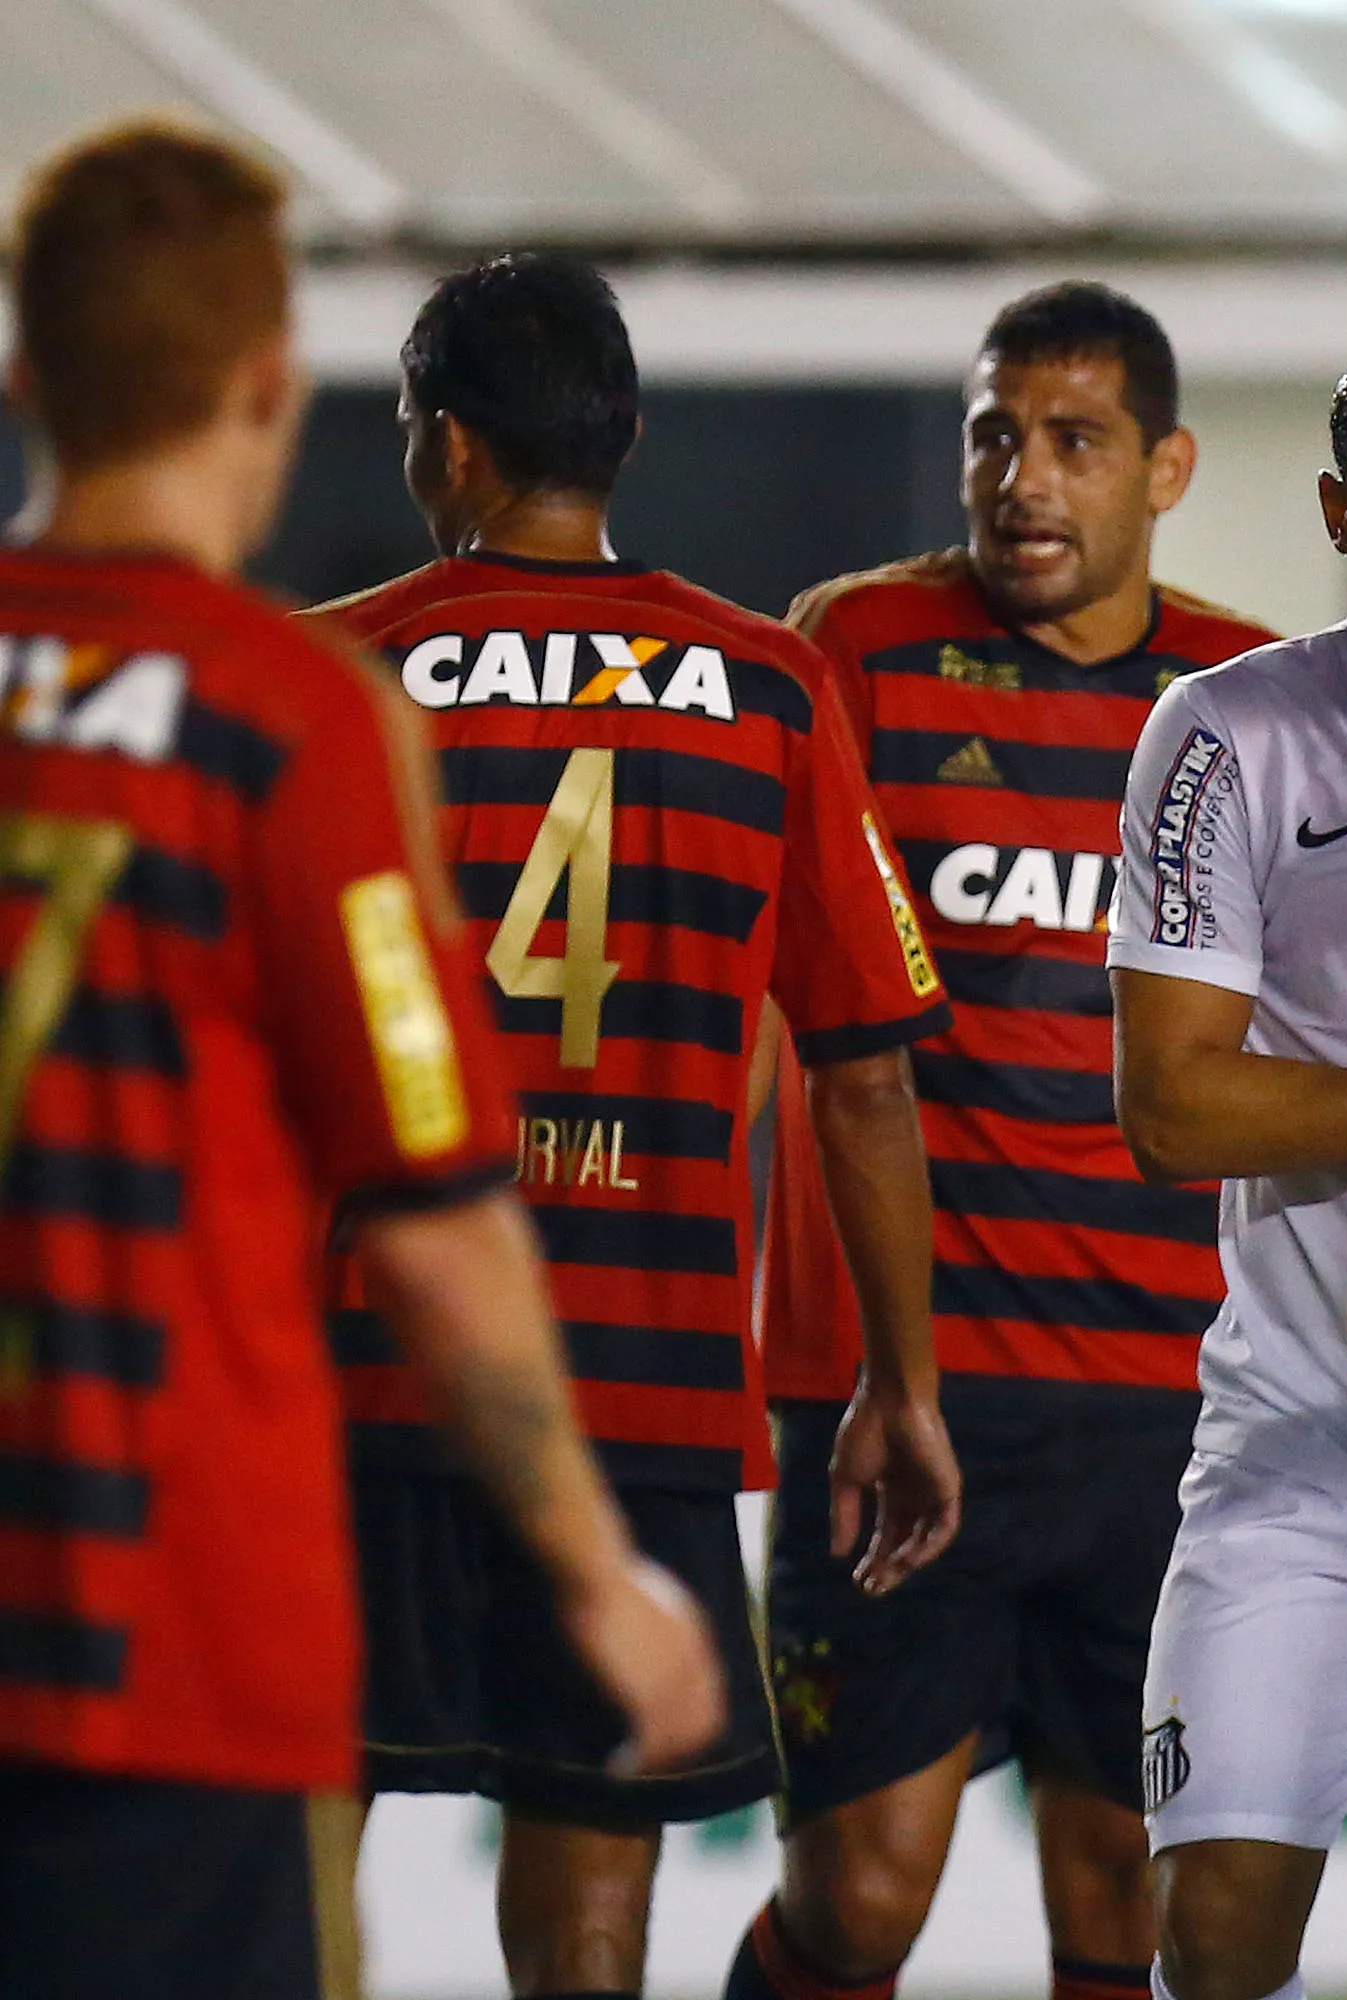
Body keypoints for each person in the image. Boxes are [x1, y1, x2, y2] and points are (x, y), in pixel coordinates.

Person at [0, 119, 721, 2000]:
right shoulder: (292, 721)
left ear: (24, 375)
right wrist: (590, 1565)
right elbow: (437, 1214)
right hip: (160, 1630)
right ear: (266, 385)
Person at [312, 252, 960, 2000]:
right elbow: (865, 1073)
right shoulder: (766, 688)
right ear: (623, 437)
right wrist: (898, 1386)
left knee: (292, 1871)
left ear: (448, 446)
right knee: (592, 1923)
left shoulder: (327, 682)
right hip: (648, 1392)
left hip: (360, 1368)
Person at [727, 282, 1271, 2000]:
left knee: (1125, 1896)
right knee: (862, 1896)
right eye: (993, 436)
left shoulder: (1248, 698)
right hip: (907, 1394)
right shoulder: (857, 649)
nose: (1023, 479)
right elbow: (767, 1008)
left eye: (1074, 442)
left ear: (1165, 468)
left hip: (1172, 1403)